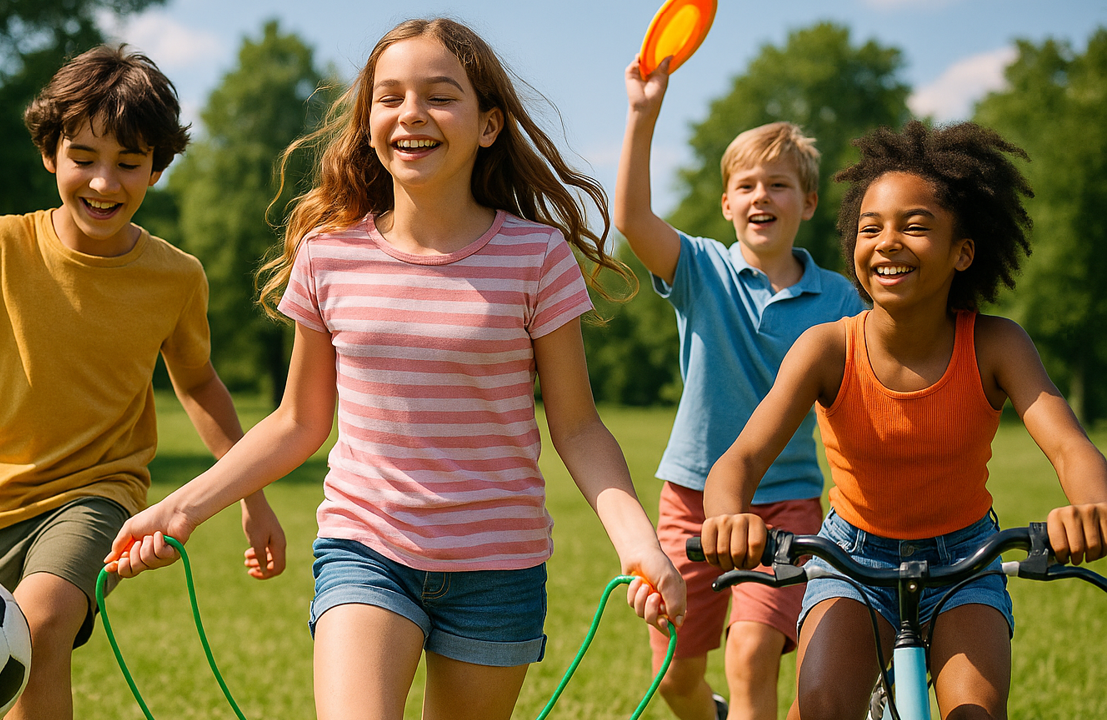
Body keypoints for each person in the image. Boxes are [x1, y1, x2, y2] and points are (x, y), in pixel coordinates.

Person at [103, 18, 686, 720]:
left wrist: (637, 544)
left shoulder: (536, 258)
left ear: (489, 125)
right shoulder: (329, 255)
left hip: (498, 567)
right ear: (369, 120)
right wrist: (179, 508)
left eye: (440, 96)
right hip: (365, 550)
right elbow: (297, 421)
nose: (411, 113)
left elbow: (579, 427)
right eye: (390, 97)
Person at [0, 45, 285, 720]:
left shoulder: (176, 276)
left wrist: (251, 494)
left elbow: (199, 384)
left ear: (157, 168)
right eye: (85, 159)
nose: (104, 183)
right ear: (50, 153)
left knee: (41, 626)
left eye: (129, 164)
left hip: (96, 492)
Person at [699, 120, 1107, 719]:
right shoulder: (826, 348)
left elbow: (1069, 445)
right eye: (871, 228)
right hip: (851, 560)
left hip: (965, 560)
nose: (887, 241)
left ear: (963, 251)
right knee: (820, 705)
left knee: (975, 713)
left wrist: (1093, 508)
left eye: (915, 227)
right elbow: (742, 457)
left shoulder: (997, 345)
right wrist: (727, 515)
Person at [615, 58, 865, 720]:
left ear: (808, 203)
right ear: (726, 203)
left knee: (752, 654)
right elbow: (633, 217)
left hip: (785, 506)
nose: (762, 197)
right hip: (689, 502)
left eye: (779, 185)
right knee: (674, 677)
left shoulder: (839, 299)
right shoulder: (701, 270)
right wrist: (642, 114)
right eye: (747, 185)